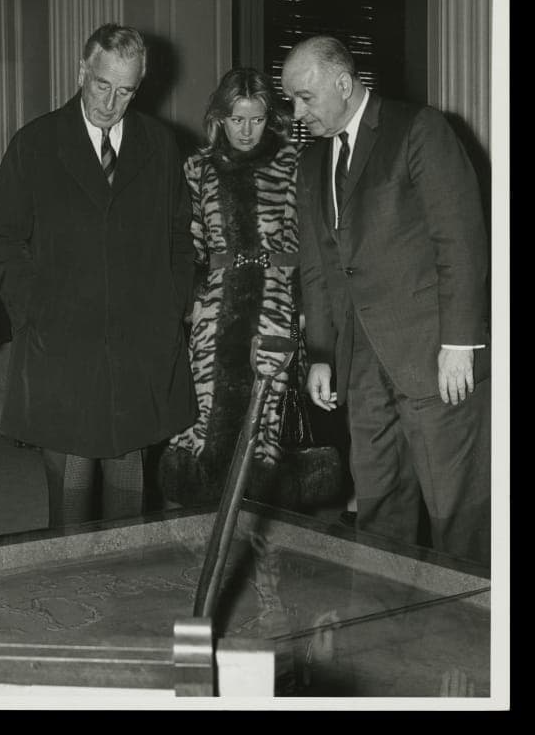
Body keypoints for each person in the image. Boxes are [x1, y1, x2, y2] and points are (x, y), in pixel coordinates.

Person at [281, 35, 490, 564]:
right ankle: (386, 622)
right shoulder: (311, 164)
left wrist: (460, 342)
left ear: (343, 83)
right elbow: (319, 269)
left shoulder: (419, 129)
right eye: (291, 100)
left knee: (456, 513)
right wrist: (323, 355)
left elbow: (460, 241)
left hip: (435, 357)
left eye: (305, 98)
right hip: (362, 364)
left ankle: (471, 632)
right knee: (378, 506)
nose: (297, 113)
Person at [0, 23, 197, 528]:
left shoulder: (159, 143)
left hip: (135, 343)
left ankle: (124, 597)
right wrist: (34, 310)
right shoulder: (36, 142)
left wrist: (172, 304)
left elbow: (179, 236)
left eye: (125, 91)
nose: (110, 102)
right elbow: (3, 238)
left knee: (129, 491)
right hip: (62, 343)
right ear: (83, 70)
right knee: (72, 495)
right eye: (102, 85)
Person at [158, 67, 307, 509]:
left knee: (266, 413)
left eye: (257, 119)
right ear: (220, 117)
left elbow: (308, 241)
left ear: (270, 118)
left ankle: (261, 515)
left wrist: (303, 305)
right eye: (236, 119)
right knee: (207, 409)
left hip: (275, 303)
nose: (246, 130)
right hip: (216, 305)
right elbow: (189, 243)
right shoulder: (197, 167)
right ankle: (203, 510)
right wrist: (192, 301)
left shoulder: (293, 162)